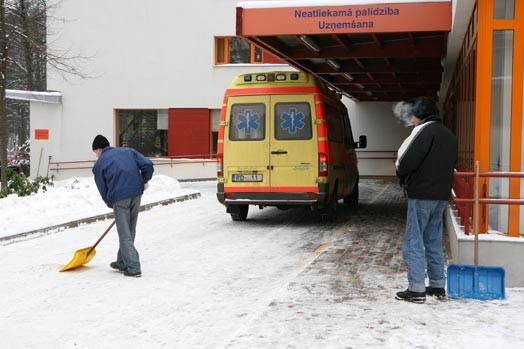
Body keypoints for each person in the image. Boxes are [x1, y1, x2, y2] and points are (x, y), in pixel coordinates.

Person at [395, 97, 458, 303]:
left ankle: (416, 289)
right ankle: (438, 285)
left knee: (414, 241)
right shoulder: (449, 134)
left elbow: (406, 161)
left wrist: (401, 174)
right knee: (433, 240)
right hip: (441, 195)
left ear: (419, 115)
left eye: (413, 115)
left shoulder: (423, 131)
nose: (411, 120)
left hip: (421, 194)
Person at [91, 135, 154, 277]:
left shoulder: (100, 164)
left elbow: (103, 189)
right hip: (137, 194)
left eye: (95, 152)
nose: (96, 156)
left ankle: (133, 267)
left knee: (124, 233)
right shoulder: (128, 151)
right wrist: (143, 181)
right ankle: (122, 261)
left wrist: (111, 203)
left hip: (120, 198)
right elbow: (148, 165)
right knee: (130, 229)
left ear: (99, 149)